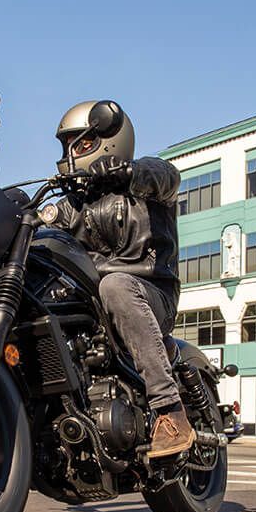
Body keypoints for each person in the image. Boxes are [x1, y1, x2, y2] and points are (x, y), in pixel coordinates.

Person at [52, 100, 196, 458]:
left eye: (80, 144)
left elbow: (165, 177)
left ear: (109, 138)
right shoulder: (73, 204)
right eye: (67, 145)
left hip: (149, 293)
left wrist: (128, 174)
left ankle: (169, 410)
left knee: (114, 283)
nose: (71, 153)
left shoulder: (146, 181)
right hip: (96, 306)